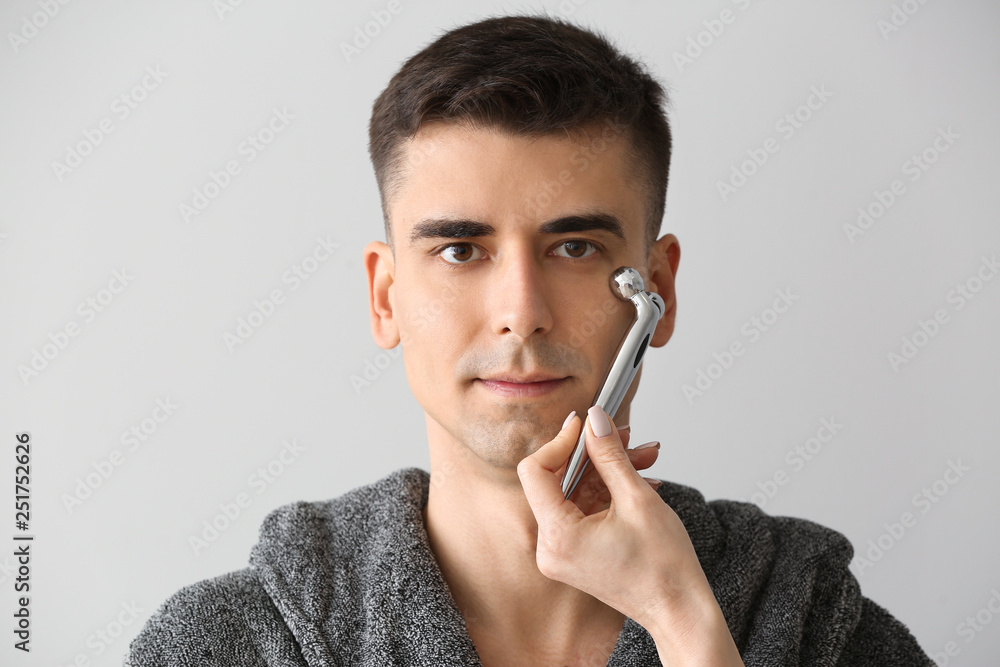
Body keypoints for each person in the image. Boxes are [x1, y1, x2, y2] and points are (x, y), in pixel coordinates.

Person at [124, 13, 934, 666]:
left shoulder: (826, 632)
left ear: (661, 289)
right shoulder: (219, 645)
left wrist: (687, 622)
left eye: (574, 247)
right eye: (460, 250)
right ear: (385, 297)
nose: (521, 311)